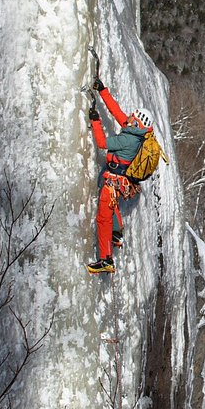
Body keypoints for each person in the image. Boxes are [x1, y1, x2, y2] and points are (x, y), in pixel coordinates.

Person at [86, 78, 154, 275]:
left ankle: (105, 259)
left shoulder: (128, 139)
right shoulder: (138, 134)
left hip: (113, 182)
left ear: (139, 122)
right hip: (121, 181)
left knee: (102, 218)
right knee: (111, 209)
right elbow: (117, 113)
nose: (130, 116)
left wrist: (95, 121)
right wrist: (103, 91)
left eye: (134, 116)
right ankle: (116, 234)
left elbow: (101, 142)